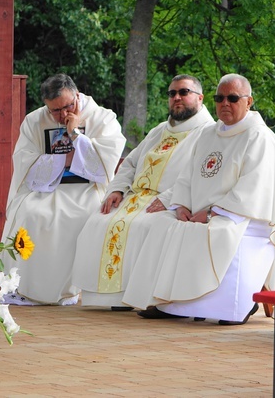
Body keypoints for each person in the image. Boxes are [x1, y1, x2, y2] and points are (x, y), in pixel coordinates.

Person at [122, 74, 275, 324]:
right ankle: (166, 302)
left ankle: (234, 308)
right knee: (162, 224)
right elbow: (186, 177)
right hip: (199, 212)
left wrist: (213, 213)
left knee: (218, 231)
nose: (225, 103)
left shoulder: (259, 137)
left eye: (233, 98)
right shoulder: (207, 134)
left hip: (242, 216)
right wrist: (181, 207)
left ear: (249, 101)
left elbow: (253, 189)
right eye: (219, 98)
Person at [72, 75, 215, 308]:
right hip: (135, 197)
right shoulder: (159, 130)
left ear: (200, 97)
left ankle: (137, 298)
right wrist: (117, 190)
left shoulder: (208, 133)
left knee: (142, 226)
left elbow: (197, 173)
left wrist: (170, 199)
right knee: (97, 221)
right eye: (172, 93)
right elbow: (130, 162)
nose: (177, 97)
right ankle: (105, 299)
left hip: (172, 201)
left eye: (184, 92)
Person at [1, 73, 125, 305]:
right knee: (31, 213)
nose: (63, 115)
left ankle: (73, 290)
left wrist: (76, 134)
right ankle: (28, 289)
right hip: (46, 189)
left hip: (88, 190)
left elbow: (104, 164)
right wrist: (66, 159)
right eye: (54, 111)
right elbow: (25, 162)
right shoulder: (35, 120)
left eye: (68, 107)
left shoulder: (103, 118)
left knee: (84, 214)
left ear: (77, 96)